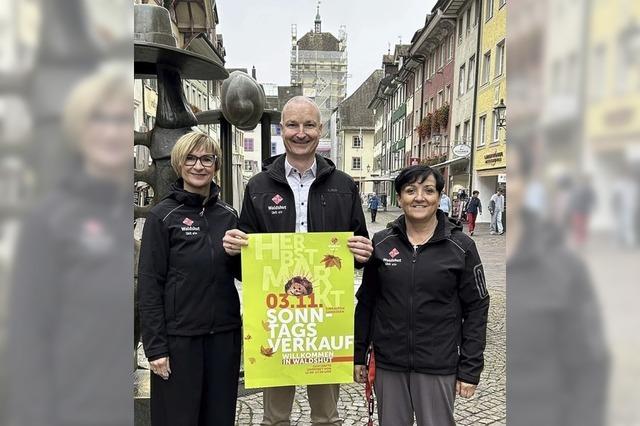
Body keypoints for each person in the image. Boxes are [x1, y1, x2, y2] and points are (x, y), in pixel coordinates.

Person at [222, 96, 373, 426]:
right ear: (282, 130)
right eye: (292, 124)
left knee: (327, 417)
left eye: (308, 125)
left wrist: (363, 253)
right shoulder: (259, 186)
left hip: (326, 316)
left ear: (320, 131)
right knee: (275, 418)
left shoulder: (344, 186)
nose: (300, 132)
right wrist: (236, 248)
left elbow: (358, 253)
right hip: (276, 319)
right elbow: (245, 262)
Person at [7, 68, 133, 425]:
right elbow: (27, 335)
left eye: (121, 120)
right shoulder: (51, 217)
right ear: (78, 131)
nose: (111, 131)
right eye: (99, 119)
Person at [354, 165, 490, 426]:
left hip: (438, 363)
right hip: (389, 364)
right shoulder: (381, 243)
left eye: (428, 190)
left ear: (439, 197)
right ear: (399, 198)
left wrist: (470, 368)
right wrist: (359, 354)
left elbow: (477, 307)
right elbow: (367, 302)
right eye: (410, 190)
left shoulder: (461, 246)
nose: (419, 197)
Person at [138, 132, 242, 426]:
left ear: (216, 165)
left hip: (223, 338)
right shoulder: (163, 217)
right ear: (178, 164)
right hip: (179, 341)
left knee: (219, 418)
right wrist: (155, 348)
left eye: (207, 159)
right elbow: (149, 286)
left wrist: (240, 254)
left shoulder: (228, 216)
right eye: (191, 159)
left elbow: (245, 275)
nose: (199, 166)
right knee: (178, 419)